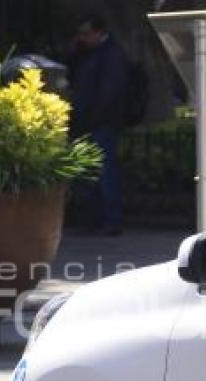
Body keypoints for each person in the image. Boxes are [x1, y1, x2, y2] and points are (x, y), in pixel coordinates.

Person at [68, 14, 130, 236]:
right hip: (89, 121)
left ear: (98, 33)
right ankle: (92, 218)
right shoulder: (88, 54)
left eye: (87, 34)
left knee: (105, 172)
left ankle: (110, 219)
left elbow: (110, 91)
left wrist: (94, 116)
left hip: (101, 122)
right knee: (90, 172)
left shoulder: (111, 55)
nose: (83, 38)